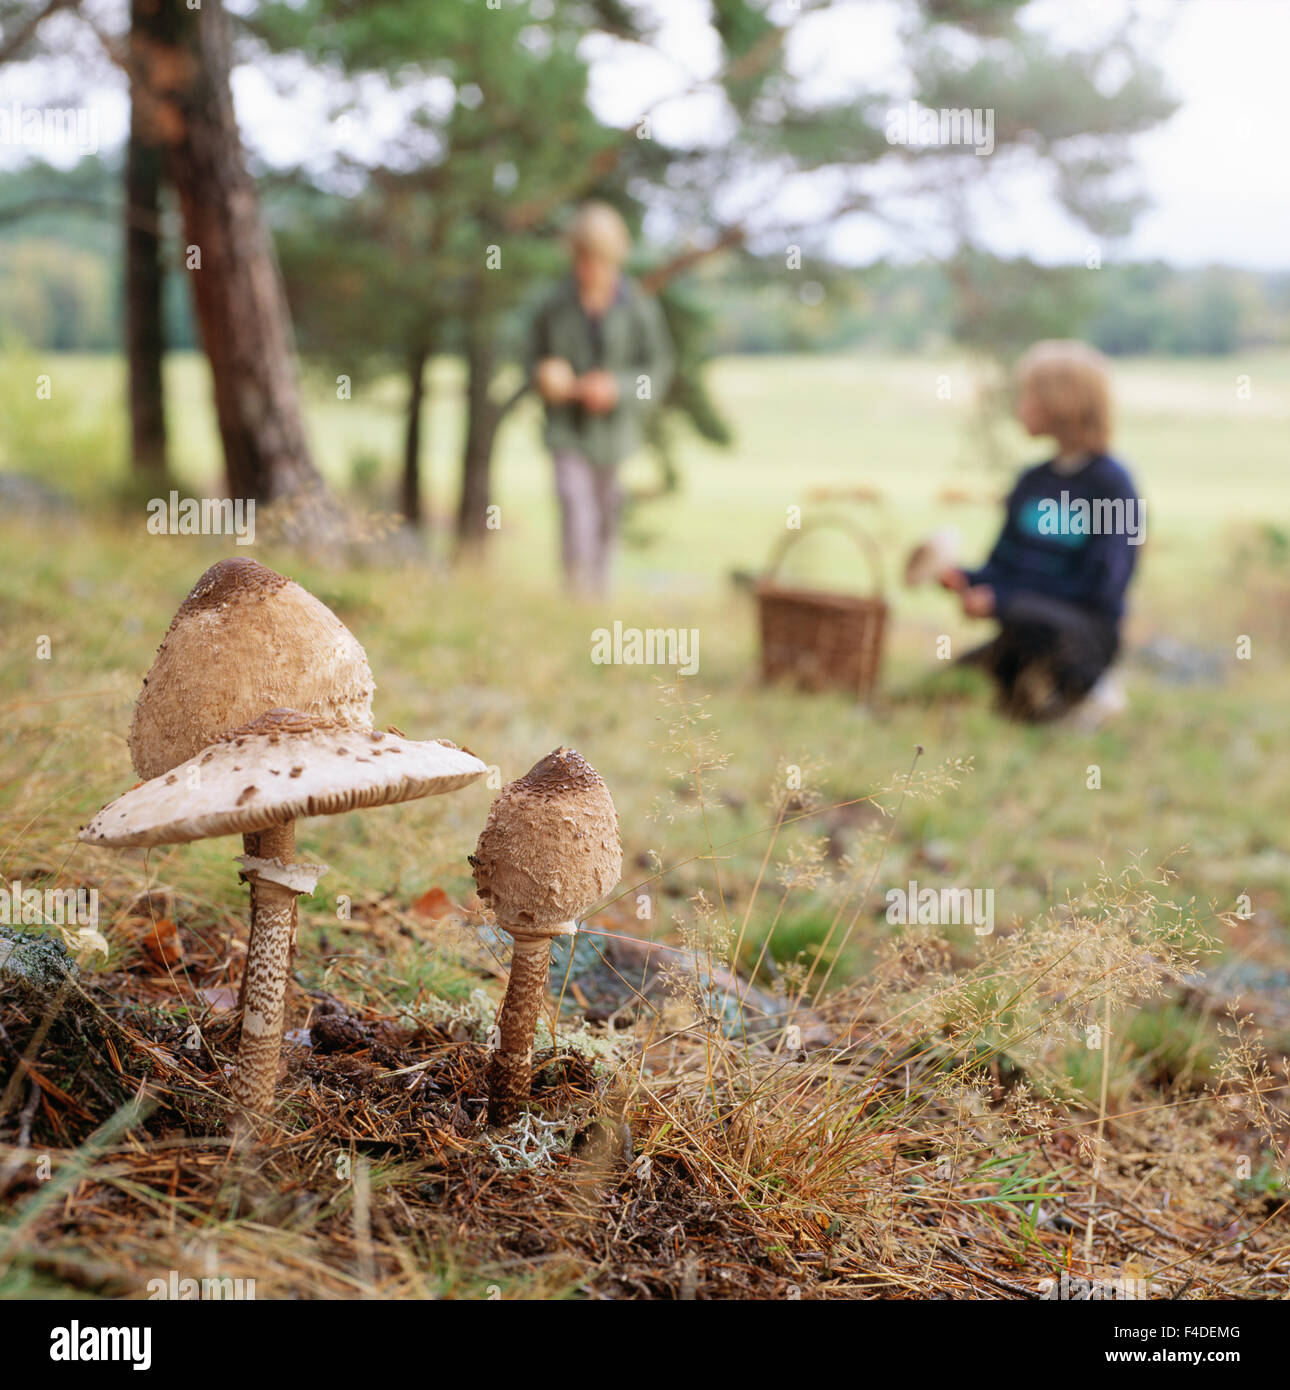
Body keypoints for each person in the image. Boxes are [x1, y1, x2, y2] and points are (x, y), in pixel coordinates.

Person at [935, 340, 1143, 722]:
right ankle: (1038, 697)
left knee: (1028, 630)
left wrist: (1002, 601)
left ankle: (1091, 691)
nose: (1019, 407)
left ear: (1062, 402)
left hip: (1080, 637)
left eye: (1028, 395)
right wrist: (965, 578)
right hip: (1020, 630)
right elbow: (1003, 565)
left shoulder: (1115, 488)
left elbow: (1105, 587)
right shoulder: (1031, 482)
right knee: (941, 691)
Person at [529, 202, 674, 596]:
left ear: (615, 260)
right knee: (577, 508)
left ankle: (600, 597)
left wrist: (618, 388)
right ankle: (578, 597)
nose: (589, 270)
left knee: (607, 514)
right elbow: (532, 361)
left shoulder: (639, 306)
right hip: (565, 429)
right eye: (583, 260)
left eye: (598, 261)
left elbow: (658, 369)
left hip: (614, 433)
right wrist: (546, 376)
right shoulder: (552, 305)